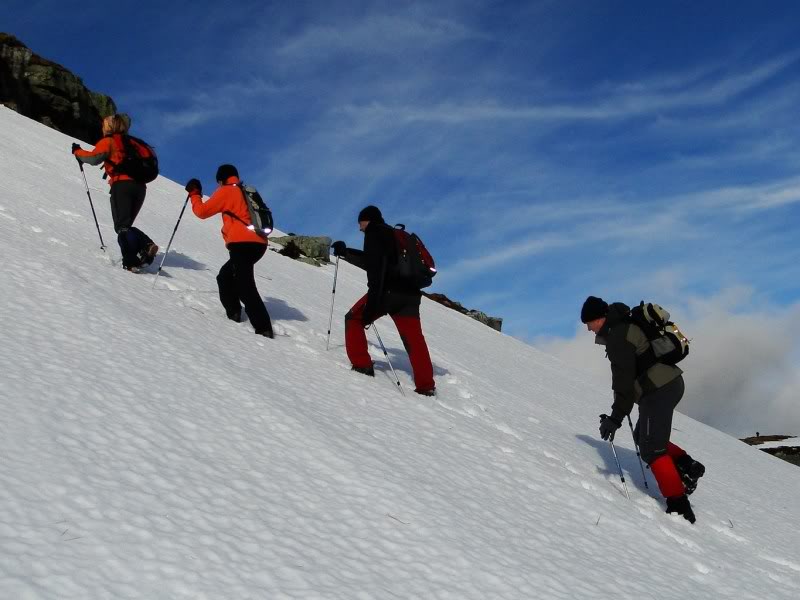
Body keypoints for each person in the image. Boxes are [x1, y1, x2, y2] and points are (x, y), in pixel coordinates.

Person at [581, 295, 705, 523]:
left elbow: (623, 386)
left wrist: (615, 419)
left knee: (651, 448)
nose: (588, 329)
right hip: (667, 384)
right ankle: (688, 465)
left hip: (659, 389)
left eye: (588, 324)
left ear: (599, 318)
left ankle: (678, 504)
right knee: (643, 436)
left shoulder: (618, 336)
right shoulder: (624, 325)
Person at [332, 205, 435, 396]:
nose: (359, 228)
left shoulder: (374, 233)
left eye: (360, 223)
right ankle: (426, 385)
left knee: (353, 319)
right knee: (414, 339)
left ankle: (362, 365)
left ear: (367, 220)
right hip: (411, 295)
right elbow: (375, 260)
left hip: (388, 292)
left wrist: (372, 304)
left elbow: (376, 268)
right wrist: (346, 253)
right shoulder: (395, 235)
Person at [185, 165, 274, 338]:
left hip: (242, 243)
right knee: (225, 277)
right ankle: (234, 314)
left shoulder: (226, 191)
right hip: (258, 243)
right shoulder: (247, 191)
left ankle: (263, 328)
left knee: (245, 284)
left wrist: (194, 194)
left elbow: (202, 212)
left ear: (221, 179)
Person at [72, 114, 158, 272]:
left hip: (122, 185)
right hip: (140, 188)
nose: (103, 127)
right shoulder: (134, 143)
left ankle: (134, 257)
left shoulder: (110, 141)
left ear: (110, 127)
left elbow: (93, 158)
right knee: (126, 226)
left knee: (122, 227)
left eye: (105, 125)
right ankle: (141, 253)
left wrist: (77, 152)